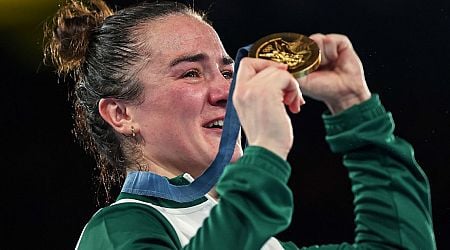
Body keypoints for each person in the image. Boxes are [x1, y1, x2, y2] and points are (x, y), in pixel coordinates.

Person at [44, 0, 436, 249]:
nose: (225, 92)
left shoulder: (253, 238)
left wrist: (354, 108)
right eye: (191, 74)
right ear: (121, 114)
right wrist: (264, 152)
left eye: (228, 72)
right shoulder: (119, 233)